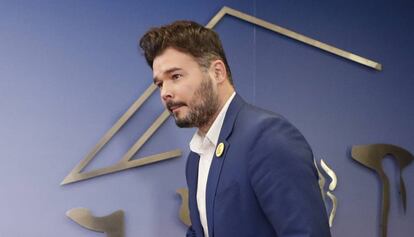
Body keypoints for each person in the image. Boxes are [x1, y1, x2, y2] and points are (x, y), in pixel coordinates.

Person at [139, 20, 331, 237]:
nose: (165, 93)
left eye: (175, 76)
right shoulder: (196, 158)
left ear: (217, 72)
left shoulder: (268, 138)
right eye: (159, 84)